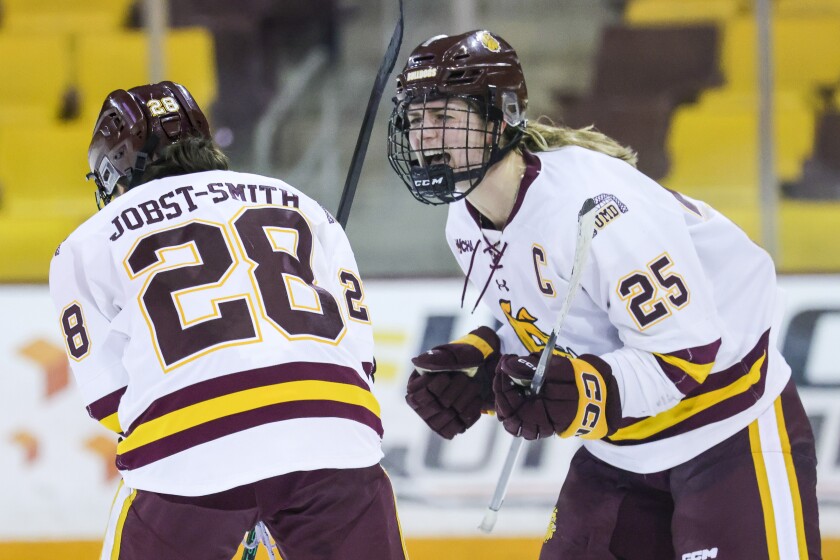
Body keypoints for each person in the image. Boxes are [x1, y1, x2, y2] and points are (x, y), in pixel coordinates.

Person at [388, 30, 821, 559]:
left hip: (729, 432)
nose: (425, 138)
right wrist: (489, 356)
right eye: (415, 120)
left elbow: (687, 355)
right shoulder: (464, 221)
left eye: (444, 118)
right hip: (620, 452)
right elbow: (555, 314)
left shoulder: (597, 208)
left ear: (501, 115)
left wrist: (588, 395)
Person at [49, 81, 407, 560]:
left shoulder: (84, 244)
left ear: (113, 167)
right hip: (336, 433)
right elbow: (360, 362)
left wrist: (233, 463)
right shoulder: (299, 202)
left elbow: (111, 401)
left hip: (188, 451)